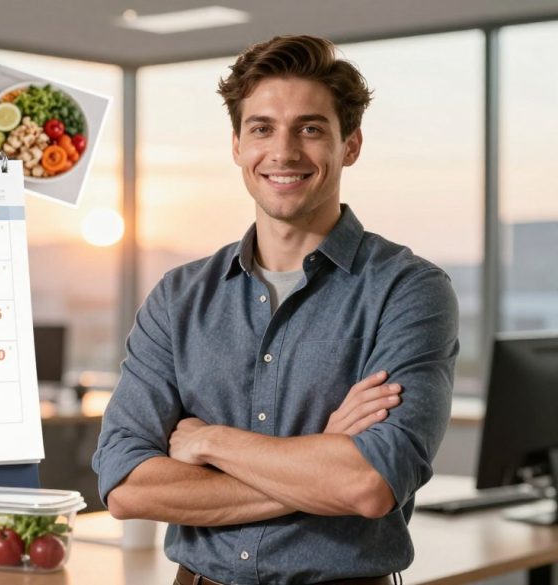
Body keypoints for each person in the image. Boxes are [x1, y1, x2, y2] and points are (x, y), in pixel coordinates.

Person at [91, 35, 459, 585]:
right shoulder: (178, 298)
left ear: (350, 145)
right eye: (262, 128)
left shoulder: (408, 291)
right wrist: (321, 462)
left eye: (310, 128)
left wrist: (210, 442)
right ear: (237, 144)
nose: (283, 152)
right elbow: (126, 486)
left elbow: (368, 485)